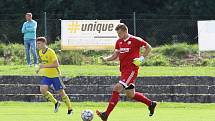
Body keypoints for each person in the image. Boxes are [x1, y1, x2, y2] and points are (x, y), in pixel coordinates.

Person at [96, 23, 157, 121]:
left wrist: (141, 59)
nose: (118, 35)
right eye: (117, 33)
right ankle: (151, 104)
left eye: (120, 33)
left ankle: (106, 114)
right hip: (124, 71)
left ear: (125, 31)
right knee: (130, 95)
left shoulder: (135, 39)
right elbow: (115, 56)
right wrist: (105, 59)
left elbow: (148, 47)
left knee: (117, 88)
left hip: (131, 70)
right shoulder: (119, 42)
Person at [36, 37, 73, 115]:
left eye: (39, 43)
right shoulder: (40, 52)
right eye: (37, 43)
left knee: (62, 93)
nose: (37, 45)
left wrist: (44, 66)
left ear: (44, 43)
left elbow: (56, 64)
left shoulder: (50, 52)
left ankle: (70, 109)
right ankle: (56, 103)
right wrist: (39, 68)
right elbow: (44, 63)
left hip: (55, 76)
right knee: (42, 90)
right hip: (47, 76)